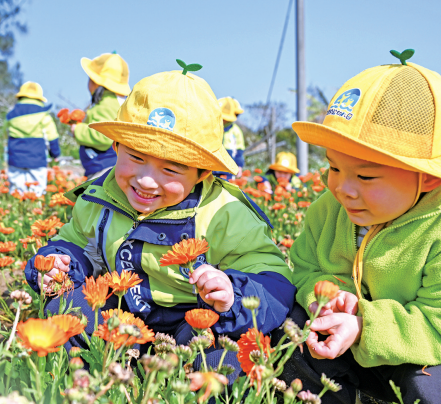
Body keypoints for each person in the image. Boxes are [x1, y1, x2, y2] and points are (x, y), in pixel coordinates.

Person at [278, 51, 441, 404]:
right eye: (333, 166)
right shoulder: (331, 209)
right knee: (290, 335)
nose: (342, 188)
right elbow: (304, 265)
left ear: (429, 176)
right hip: (354, 342)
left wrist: (366, 327)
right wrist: (330, 295)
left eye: (365, 175)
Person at [24, 62, 295, 373]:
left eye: (170, 169)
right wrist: (58, 262)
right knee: (66, 308)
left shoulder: (225, 212)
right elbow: (75, 241)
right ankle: (94, 385)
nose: (147, 181)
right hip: (120, 313)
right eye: (135, 158)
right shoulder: (98, 195)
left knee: (226, 356)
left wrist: (234, 295)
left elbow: (275, 281)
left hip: (194, 319)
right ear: (116, 146)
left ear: (202, 172)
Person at [72, 52, 130, 179]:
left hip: (103, 167)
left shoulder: (106, 103)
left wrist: (78, 130)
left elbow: (103, 136)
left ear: (95, 81)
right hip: (111, 165)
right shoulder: (119, 103)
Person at [6, 81, 60, 195]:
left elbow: (6, 135)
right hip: (37, 160)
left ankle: (17, 210)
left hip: (16, 159)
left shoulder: (11, 116)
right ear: (39, 99)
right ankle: (36, 211)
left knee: (16, 191)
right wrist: (55, 154)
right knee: (37, 191)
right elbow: (52, 137)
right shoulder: (44, 116)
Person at [217, 96, 245, 180]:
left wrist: (239, 166)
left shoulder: (236, 131)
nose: (223, 121)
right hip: (211, 168)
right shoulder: (212, 128)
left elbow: (239, 151)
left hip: (228, 168)